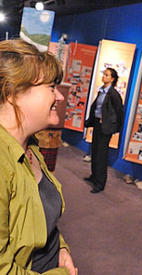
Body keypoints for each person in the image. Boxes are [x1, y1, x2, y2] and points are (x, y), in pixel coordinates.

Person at [0, 39, 78, 274]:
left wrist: (61, 248)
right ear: (13, 93)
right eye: (51, 87)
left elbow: (39, 216)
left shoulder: (31, 148)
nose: (60, 97)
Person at [84, 68, 124, 193]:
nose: (104, 76)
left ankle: (100, 183)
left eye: (106, 75)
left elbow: (119, 112)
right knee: (95, 151)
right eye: (104, 74)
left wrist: (114, 127)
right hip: (97, 124)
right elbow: (97, 107)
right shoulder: (101, 91)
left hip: (105, 128)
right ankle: (94, 176)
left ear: (112, 79)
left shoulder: (114, 94)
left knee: (101, 155)